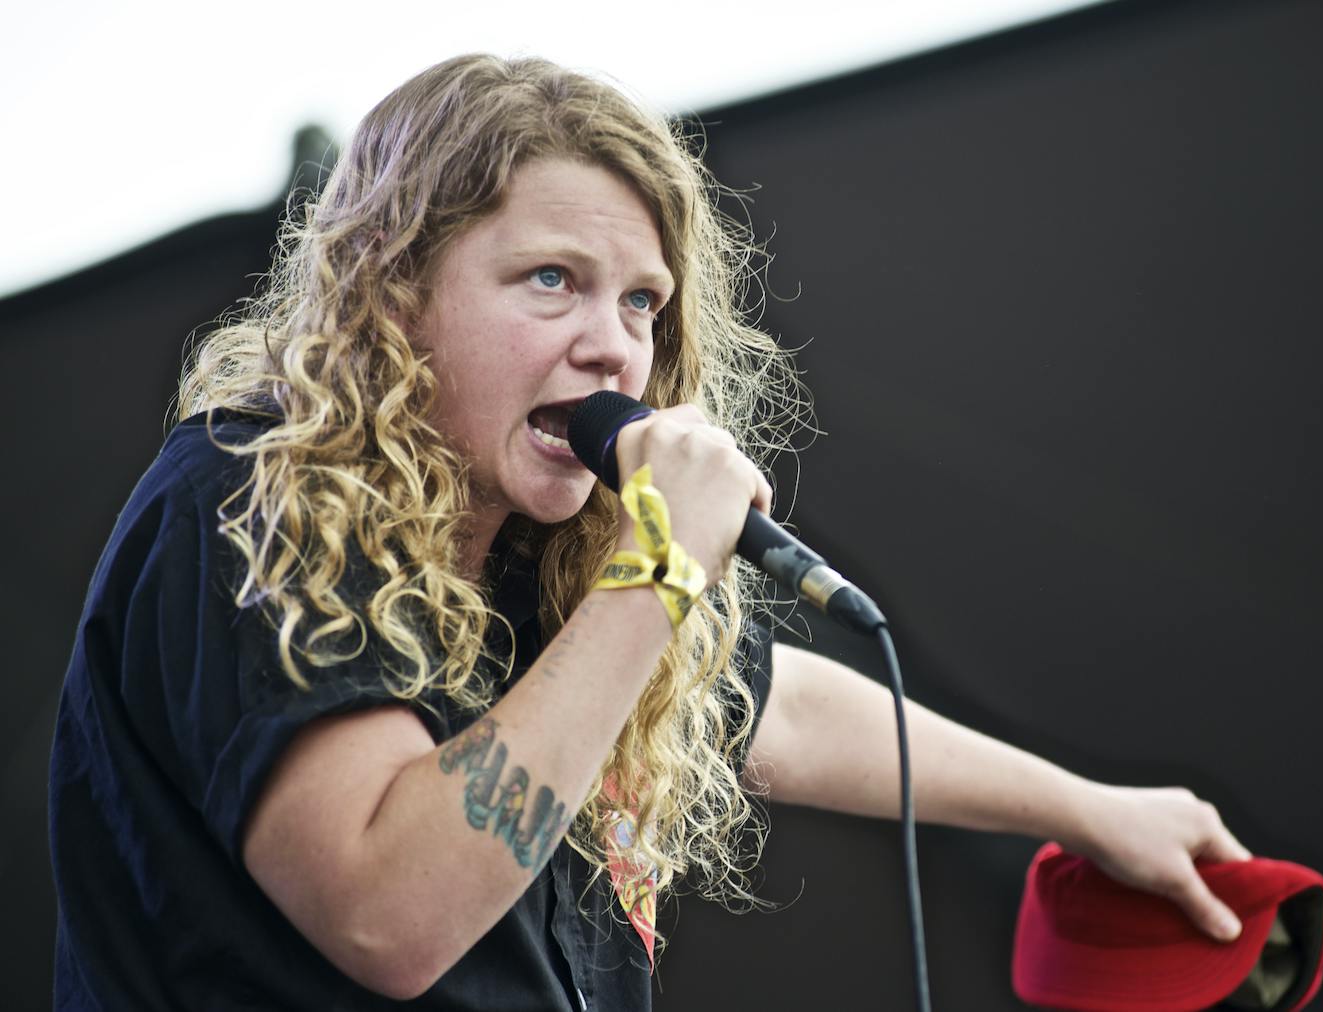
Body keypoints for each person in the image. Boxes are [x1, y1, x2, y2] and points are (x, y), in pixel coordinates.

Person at [49, 54, 1250, 1010]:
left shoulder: (536, 569)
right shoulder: (252, 490)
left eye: (640, 302)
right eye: (550, 280)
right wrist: (663, 566)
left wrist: (1091, 808)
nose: (612, 345)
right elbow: (388, 914)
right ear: (393, 289)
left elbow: (775, 702)